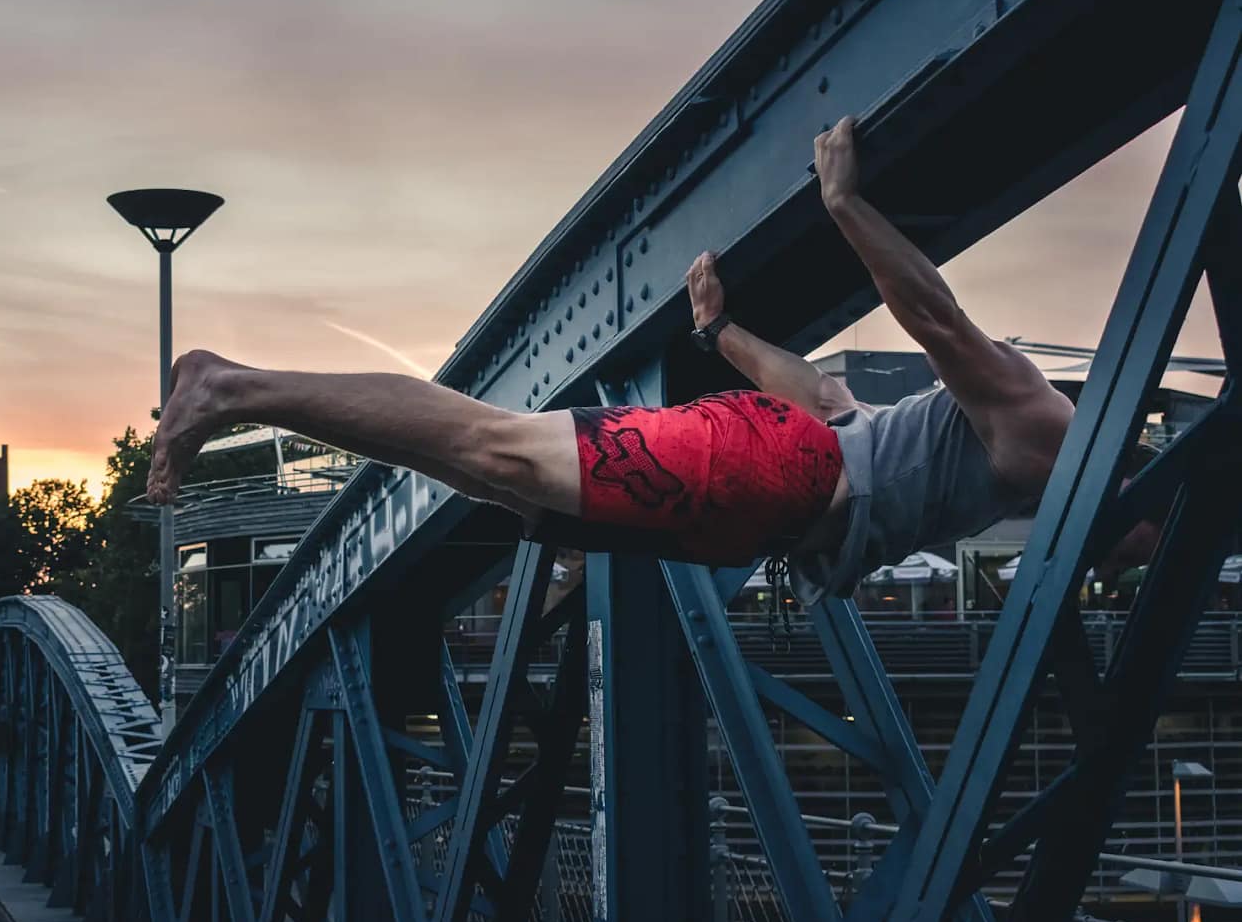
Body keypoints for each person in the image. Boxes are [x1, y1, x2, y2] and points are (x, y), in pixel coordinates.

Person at [145, 117, 1160, 598]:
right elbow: (937, 322)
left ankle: (242, 390)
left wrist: (721, 336)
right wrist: (844, 204)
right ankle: (233, 385)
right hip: (775, 479)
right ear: (1143, 488)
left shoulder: (978, 460)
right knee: (494, 448)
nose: (1130, 566)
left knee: (478, 472)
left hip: (774, 492)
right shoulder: (1037, 421)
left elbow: (828, 396)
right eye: (1151, 544)